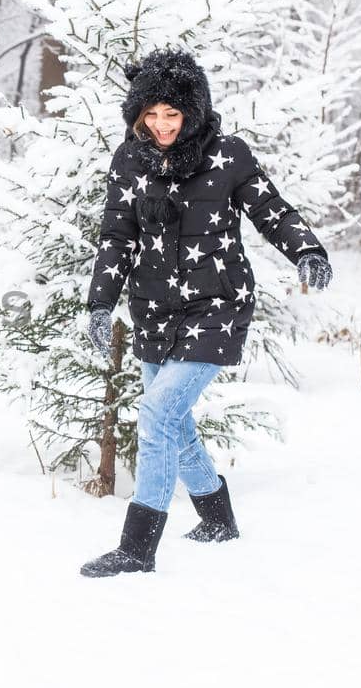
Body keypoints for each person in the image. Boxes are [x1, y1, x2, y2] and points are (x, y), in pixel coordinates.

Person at [79, 46, 332, 578]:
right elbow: (117, 237)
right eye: (151, 115)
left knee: (156, 414)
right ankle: (218, 518)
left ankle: (137, 548)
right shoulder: (129, 160)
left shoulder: (228, 155)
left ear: (193, 111)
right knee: (175, 420)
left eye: (173, 114)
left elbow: (271, 210)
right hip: (153, 310)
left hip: (217, 305)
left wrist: (307, 249)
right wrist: (101, 303)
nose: (162, 125)